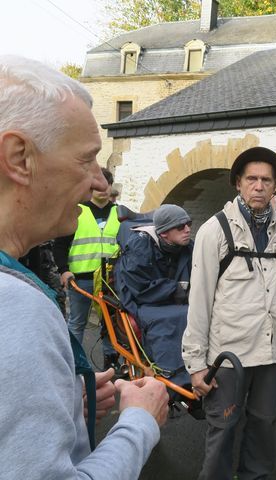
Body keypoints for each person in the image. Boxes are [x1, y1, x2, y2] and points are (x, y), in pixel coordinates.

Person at [0, 55, 168, 479]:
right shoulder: (17, 310)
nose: (99, 181)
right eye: (86, 159)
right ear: (19, 157)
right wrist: (139, 423)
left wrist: (56, 399)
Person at [182, 146, 276, 480]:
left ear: (275, 187)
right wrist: (196, 365)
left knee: (263, 427)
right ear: (238, 184)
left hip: (273, 356)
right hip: (229, 358)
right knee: (223, 429)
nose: (259, 186)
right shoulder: (215, 231)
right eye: (252, 179)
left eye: (266, 180)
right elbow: (199, 302)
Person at [116, 204, 194, 386]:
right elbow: (140, 287)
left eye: (189, 223)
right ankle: (173, 377)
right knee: (175, 317)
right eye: (181, 226)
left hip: (174, 299)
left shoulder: (188, 246)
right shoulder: (139, 246)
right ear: (164, 233)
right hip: (144, 301)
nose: (188, 229)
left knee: (201, 314)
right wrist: (177, 289)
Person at [53, 166, 120, 370]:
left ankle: (112, 362)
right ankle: (72, 362)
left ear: (110, 187)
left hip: (111, 280)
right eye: (96, 185)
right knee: (77, 323)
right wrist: (64, 269)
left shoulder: (121, 213)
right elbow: (60, 244)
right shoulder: (78, 211)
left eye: (105, 184)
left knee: (111, 325)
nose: (101, 189)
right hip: (81, 279)